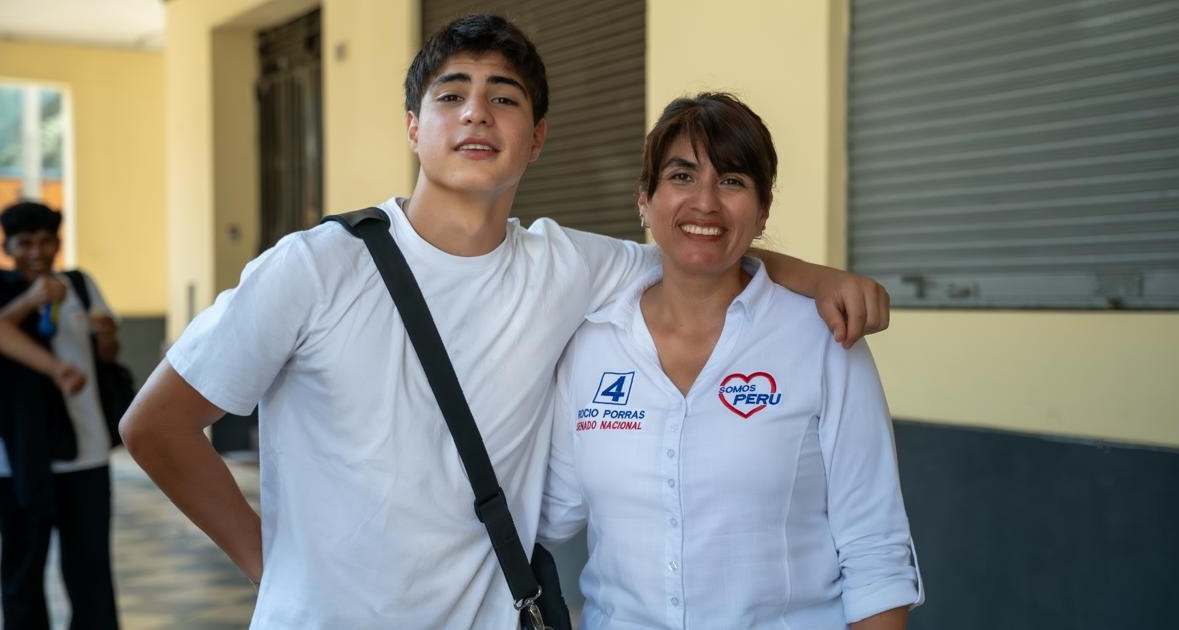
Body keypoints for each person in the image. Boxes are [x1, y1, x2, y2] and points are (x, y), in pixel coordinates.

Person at [119, 15, 891, 628]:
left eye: (505, 97)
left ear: (537, 136)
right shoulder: (315, 267)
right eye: (450, 95)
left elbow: (698, 244)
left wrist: (819, 278)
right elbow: (155, 426)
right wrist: (272, 567)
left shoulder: (567, 266)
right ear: (414, 127)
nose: (477, 113)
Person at [539, 93, 923, 629]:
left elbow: (875, 549)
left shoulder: (824, 339)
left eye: (732, 181)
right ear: (644, 200)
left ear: (763, 211)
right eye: (681, 176)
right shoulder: (591, 345)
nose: (705, 203)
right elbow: (548, 515)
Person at [0, 201, 121, 630]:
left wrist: (107, 338)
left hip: (85, 453)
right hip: (16, 461)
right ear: (8, 245)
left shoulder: (79, 284)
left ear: (58, 242)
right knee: (21, 573)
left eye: (46, 241)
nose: (37, 251)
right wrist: (31, 300)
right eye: (25, 242)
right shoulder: (3, 288)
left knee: (90, 570)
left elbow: (105, 353)